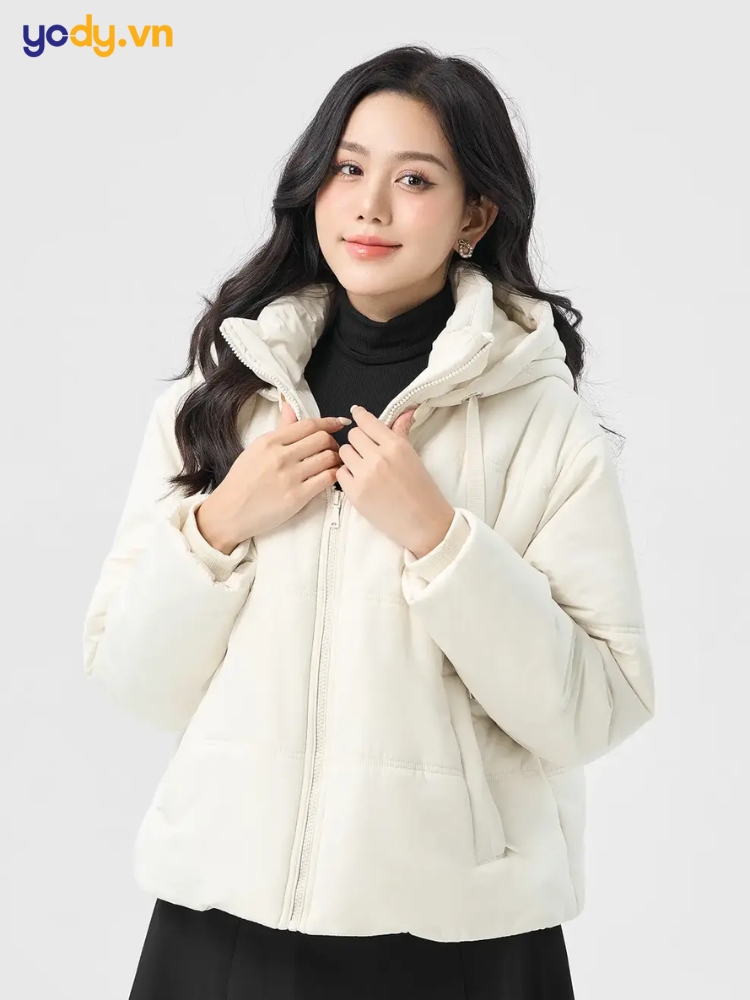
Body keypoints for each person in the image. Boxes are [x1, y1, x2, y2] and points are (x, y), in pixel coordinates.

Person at [83, 44, 656, 1000]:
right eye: (348, 169)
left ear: (475, 215)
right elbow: (131, 676)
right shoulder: (222, 400)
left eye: (415, 179)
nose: (370, 206)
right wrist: (219, 525)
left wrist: (442, 542)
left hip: (458, 940)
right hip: (226, 927)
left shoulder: (541, 424)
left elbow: (596, 709)